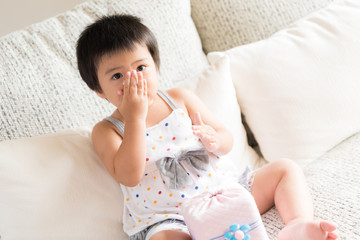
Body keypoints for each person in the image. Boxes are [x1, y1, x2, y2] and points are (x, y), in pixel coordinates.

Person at [76, 14, 338, 240]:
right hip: (172, 217)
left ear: (156, 67)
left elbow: (226, 138)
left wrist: (215, 141)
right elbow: (128, 175)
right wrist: (134, 118)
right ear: (99, 89)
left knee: (285, 169)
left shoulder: (179, 98)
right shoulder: (108, 130)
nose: (134, 80)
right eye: (117, 76)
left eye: (141, 67)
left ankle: (297, 225)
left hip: (226, 192)